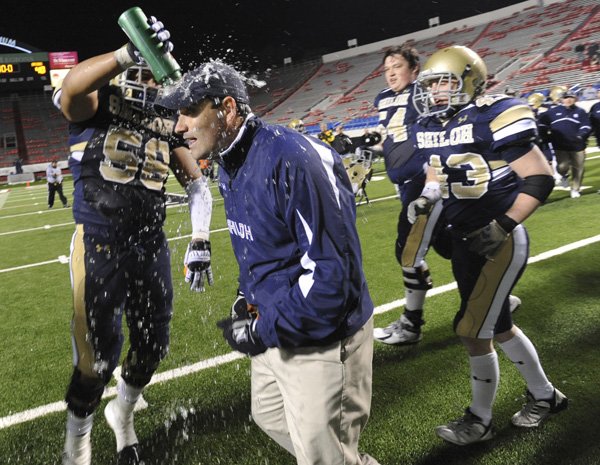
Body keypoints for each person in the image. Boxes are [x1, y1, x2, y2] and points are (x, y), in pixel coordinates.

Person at [156, 60, 378, 465]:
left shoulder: (292, 159)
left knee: (323, 454)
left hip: (321, 335)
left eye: (189, 112)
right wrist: (247, 298)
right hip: (277, 322)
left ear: (226, 109)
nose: (178, 126)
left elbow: (335, 278)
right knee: (270, 414)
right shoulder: (230, 159)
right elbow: (260, 246)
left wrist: (263, 329)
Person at [54, 16, 214, 465]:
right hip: (100, 243)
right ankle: (77, 440)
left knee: (153, 345)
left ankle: (122, 416)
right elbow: (70, 88)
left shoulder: (166, 121)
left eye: (150, 69)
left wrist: (199, 238)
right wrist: (128, 51)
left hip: (151, 246)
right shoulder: (98, 103)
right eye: (137, 68)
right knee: (97, 359)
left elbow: (198, 184)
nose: (146, 78)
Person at [411, 45, 567, 446]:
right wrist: (427, 197)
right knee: (497, 327)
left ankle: (479, 421)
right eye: (431, 83)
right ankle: (546, 396)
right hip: (464, 238)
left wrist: (503, 224)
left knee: (471, 329)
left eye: (444, 81)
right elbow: (435, 169)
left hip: (498, 238)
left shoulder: (494, 113)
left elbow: (539, 177)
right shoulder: (434, 122)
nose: (436, 91)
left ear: (470, 78)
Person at [371, 43, 446, 345]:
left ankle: (411, 324)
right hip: (404, 184)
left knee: (407, 249)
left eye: (397, 67)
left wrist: (434, 179)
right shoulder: (383, 99)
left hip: (424, 179)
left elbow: (436, 132)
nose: (390, 73)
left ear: (414, 69)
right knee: (451, 246)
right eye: (387, 69)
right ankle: (497, 297)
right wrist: (365, 147)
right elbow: (388, 139)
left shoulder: (421, 93)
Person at [538, 89, 592, 198]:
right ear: (562, 99)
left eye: (571, 98)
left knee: (578, 167)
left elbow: (586, 125)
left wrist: (581, 135)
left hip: (577, 145)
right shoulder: (552, 112)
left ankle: (575, 189)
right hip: (560, 145)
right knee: (562, 166)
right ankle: (564, 175)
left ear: (575, 99)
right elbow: (541, 122)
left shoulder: (580, 112)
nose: (569, 100)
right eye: (566, 97)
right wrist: (544, 134)